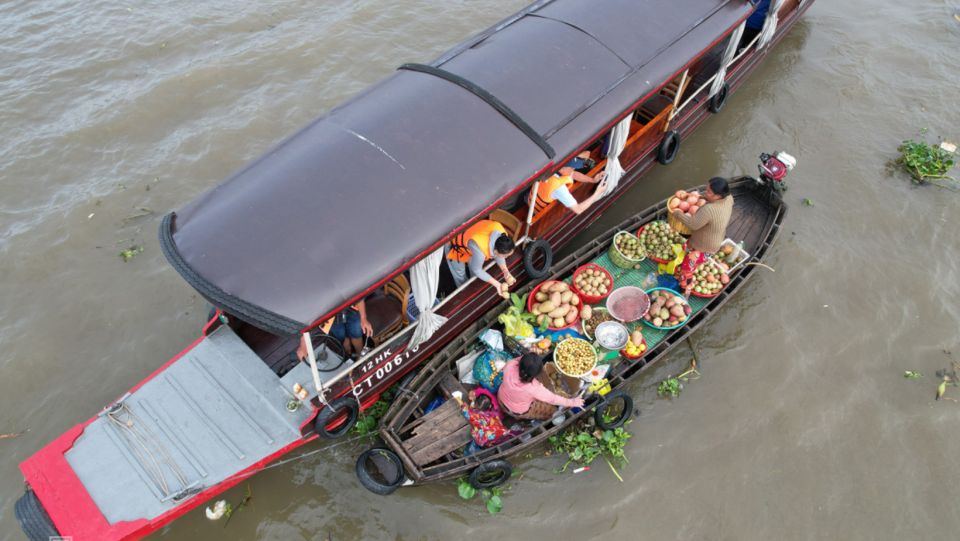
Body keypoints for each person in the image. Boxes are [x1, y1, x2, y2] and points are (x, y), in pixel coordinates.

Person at [671, 176, 734, 296]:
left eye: (709, 192)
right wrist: (699, 197)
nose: (706, 192)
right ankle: (681, 268)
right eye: (707, 189)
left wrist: (678, 214)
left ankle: (685, 291)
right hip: (714, 238)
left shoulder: (709, 209)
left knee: (687, 268)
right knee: (687, 248)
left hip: (704, 246)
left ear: (718, 196)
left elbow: (693, 224)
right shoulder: (729, 198)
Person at [497, 353, 584, 420]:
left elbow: (520, 360)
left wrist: (529, 360)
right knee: (551, 411)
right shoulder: (534, 388)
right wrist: (573, 402)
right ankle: (517, 418)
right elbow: (553, 399)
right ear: (536, 374)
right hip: (516, 410)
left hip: (501, 397)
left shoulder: (510, 365)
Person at [446, 220, 516, 298]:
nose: (506, 258)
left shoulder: (503, 236)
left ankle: (473, 285)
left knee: (474, 265)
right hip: (455, 242)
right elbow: (477, 269)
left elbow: (499, 255)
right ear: (496, 251)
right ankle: (465, 291)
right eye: (505, 256)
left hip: (470, 238)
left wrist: (505, 271)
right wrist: (497, 284)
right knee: (460, 273)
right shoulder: (480, 250)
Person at [297, 300, 373, 362]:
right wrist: (303, 342)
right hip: (331, 315)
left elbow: (357, 290)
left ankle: (360, 355)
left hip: (351, 305)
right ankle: (348, 353)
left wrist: (363, 318)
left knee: (356, 333)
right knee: (340, 337)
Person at [530, 162, 609, 218]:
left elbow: (573, 174)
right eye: (572, 168)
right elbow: (578, 210)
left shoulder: (553, 167)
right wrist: (597, 193)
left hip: (532, 197)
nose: (573, 169)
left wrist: (593, 180)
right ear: (563, 168)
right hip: (537, 211)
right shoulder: (559, 188)